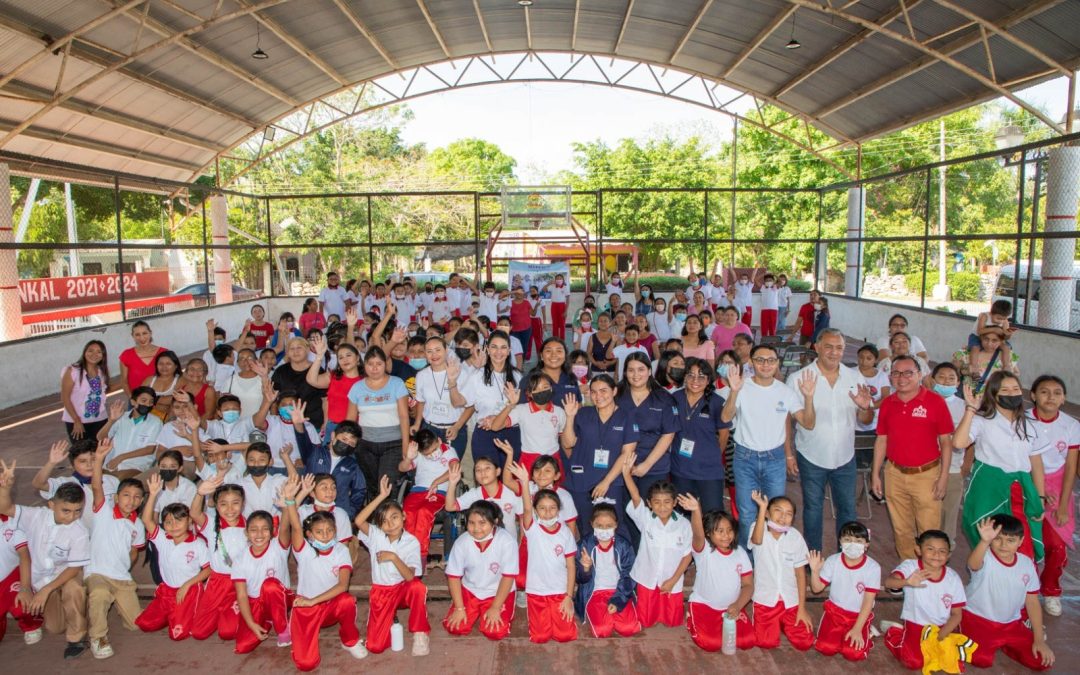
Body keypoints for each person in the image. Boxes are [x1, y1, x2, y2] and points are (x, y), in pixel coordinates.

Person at [722, 346, 816, 548]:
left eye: (771, 360)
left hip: (774, 459)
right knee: (746, 513)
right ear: (751, 362)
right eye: (760, 360)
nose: (766, 364)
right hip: (745, 458)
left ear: (777, 363)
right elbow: (725, 417)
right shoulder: (742, 387)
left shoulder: (786, 392)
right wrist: (734, 392)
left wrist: (809, 398)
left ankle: (771, 555)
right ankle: (748, 559)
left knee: (775, 512)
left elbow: (808, 423)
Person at [791, 329, 875, 552]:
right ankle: (813, 558)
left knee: (848, 510)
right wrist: (789, 455)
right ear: (817, 347)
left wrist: (864, 408)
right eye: (828, 346)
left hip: (845, 457)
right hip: (811, 455)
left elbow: (866, 419)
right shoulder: (799, 378)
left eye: (839, 348)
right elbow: (790, 421)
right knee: (813, 509)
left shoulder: (854, 378)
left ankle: (846, 558)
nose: (834, 352)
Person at [1, 457, 91, 658]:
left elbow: (73, 569)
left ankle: (76, 638)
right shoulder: (35, 516)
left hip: (66, 575)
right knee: (55, 627)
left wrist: (46, 590)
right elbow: (5, 508)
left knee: (74, 589)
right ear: (51, 505)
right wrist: (5, 488)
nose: (72, 517)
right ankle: (80, 609)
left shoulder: (79, 532)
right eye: (66, 511)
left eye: (78, 511)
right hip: (41, 578)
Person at [955, 372, 1048, 562]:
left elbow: (1036, 464)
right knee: (989, 542)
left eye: (1015, 389)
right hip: (989, 491)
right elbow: (958, 442)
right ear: (994, 394)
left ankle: (1023, 579)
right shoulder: (982, 421)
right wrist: (971, 409)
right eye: (1005, 390)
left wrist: (1040, 497)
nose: (1012, 393)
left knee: (1023, 544)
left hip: (1021, 491)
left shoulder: (1030, 424)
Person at [871, 355, 954, 560]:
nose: (901, 378)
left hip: (927, 475)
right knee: (901, 529)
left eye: (908, 373)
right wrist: (875, 475)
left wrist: (943, 477)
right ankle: (908, 569)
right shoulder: (888, 404)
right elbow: (881, 440)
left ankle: (931, 571)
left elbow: (946, 442)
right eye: (896, 373)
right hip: (894, 473)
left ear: (919, 374)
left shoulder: (935, 402)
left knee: (929, 530)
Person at [283, 480, 366, 669]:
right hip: (306, 607)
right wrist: (290, 500)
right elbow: (296, 526)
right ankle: (298, 628)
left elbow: (343, 586)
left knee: (347, 600)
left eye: (330, 530)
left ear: (336, 531)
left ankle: (350, 641)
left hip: (328, 605)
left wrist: (314, 601)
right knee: (306, 664)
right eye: (319, 532)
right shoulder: (304, 550)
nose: (326, 535)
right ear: (309, 535)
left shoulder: (341, 551)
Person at [960, 515, 1054, 670]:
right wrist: (984, 541)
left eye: (1011, 540)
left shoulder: (1026, 563)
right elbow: (973, 564)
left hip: (1011, 624)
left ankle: (1002, 642)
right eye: (997, 539)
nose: (1003, 545)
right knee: (981, 659)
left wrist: (1039, 640)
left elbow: (1032, 601)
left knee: (1041, 661)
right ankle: (957, 627)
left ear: (1021, 541)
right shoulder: (985, 556)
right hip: (976, 618)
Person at [354, 476, 431, 656]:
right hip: (381, 591)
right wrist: (381, 496)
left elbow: (410, 577)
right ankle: (388, 621)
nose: (390, 524)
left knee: (418, 587)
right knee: (375, 647)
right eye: (384, 521)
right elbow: (358, 521)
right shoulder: (376, 536)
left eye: (394, 517)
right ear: (379, 525)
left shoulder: (411, 542)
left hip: (402, 588)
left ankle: (420, 633)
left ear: (404, 516)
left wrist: (394, 557)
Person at [560, 375, 639, 539]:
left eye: (603, 391)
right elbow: (568, 443)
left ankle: (619, 555)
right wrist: (569, 417)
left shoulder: (627, 417)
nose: (598, 396)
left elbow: (627, 453)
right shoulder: (583, 413)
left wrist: (606, 482)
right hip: (581, 479)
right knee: (585, 527)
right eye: (594, 392)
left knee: (613, 526)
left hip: (611, 481)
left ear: (614, 391)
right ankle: (588, 555)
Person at [1026, 374, 1079, 617]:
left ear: (1064, 398)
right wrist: (1036, 490)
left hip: (1059, 489)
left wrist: (1063, 505)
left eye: (1057, 393)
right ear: (1033, 395)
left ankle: (1051, 591)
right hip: (1026, 483)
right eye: (1044, 392)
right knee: (1025, 543)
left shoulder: (1071, 426)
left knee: (1056, 546)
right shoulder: (1023, 420)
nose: (1051, 397)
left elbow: (1070, 467)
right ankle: (1025, 591)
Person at [135, 473, 210, 642]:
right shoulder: (163, 538)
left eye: (179, 521)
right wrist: (153, 495)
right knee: (144, 624)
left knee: (177, 634)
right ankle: (172, 612)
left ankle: (190, 611)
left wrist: (187, 585)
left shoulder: (197, 543)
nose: (174, 526)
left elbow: (208, 569)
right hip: (167, 591)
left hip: (188, 591)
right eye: (168, 522)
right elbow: (146, 520)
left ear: (189, 522)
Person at [509, 463, 578, 644]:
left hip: (560, 592)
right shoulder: (532, 529)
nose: (547, 513)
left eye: (552, 508)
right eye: (542, 508)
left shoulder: (565, 533)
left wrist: (568, 597)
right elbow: (526, 509)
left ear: (559, 510)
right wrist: (525, 482)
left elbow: (571, 566)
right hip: (536, 592)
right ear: (536, 511)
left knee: (565, 636)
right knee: (540, 637)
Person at [621, 457, 691, 629]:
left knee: (673, 622)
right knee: (646, 621)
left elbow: (687, 555)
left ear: (675, 503)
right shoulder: (645, 519)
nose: (662, 507)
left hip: (671, 581)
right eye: (657, 503)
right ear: (649, 504)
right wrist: (626, 474)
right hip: (647, 579)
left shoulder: (684, 524)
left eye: (667, 502)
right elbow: (635, 496)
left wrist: (673, 580)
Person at [880, 530, 965, 670]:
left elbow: (957, 614)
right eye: (930, 549)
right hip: (916, 624)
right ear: (918, 550)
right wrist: (906, 582)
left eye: (942, 551)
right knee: (913, 662)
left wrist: (941, 636)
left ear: (949, 555)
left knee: (952, 662)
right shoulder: (910, 567)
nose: (936, 554)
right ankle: (893, 633)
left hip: (941, 627)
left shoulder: (953, 578)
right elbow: (889, 583)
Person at [680, 496, 755, 652]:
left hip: (731, 608)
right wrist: (696, 510)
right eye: (720, 531)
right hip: (704, 606)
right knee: (711, 643)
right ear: (708, 533)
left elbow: (748, 585)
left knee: (748, 641)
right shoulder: (704, 550)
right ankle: (691, 618)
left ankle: (724, 624)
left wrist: (738, 605)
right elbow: (698, 534)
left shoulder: (740, 553)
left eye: (729, 530)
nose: (726, 535)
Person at [442, 501, 519, 640]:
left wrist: (495, 607)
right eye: (471, 523)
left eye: (482, 523)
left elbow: (508, 577)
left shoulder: (507, 541)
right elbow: (453, 576)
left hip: (498, 591)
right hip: (470, 590)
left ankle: (496, 609)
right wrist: (459, 608)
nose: (476, 528)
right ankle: (468, 609)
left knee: (495, 632)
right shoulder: (461, 542)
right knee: (455, 627)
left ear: (495, 521)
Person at [747, 491, 813, 650]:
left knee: (805, 642)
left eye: (789, 514)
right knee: (765, 642)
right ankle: (777, 624)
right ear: (767, 513)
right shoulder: (758, 528)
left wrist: (802, 609)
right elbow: (756, 540)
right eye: (778, 511)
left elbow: (800, 574)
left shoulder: (795, 537)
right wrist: (762, 507)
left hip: (791, 601)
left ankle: (782, 623)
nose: (783, 517)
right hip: (765, 600)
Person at [807, 521, 880, 661]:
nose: (852, 544)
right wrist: (815, 571)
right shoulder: (833, 561)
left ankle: (867, 633)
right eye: (847, 539)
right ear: (840, 542)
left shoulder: (873, 568)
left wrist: (857, 629)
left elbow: (867, 602)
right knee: (825, 648)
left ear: (866, 544)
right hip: (834, 613)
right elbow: (816, 589)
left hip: (858, 616)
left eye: (858, 541)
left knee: (853, 654)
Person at [617, 354, 679, 508]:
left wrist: (646, 465)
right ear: (625, 372)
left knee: (652, 511)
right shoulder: (616, 396)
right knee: (625, 510)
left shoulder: (663, 398)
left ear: (650, 371)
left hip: (654, 466)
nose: (636, 375)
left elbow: (668, 435)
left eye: (641, 369)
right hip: (620, 464)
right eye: (631, 370)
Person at [231, 501, 295, 654]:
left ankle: (282, 628)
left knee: (270, 586)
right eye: (254, 530)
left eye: (265, 529)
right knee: (242, 646)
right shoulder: (240, 559)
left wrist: (286, 505)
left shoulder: (278, 547)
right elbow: (242, 595)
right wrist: (251, 623)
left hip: (281, 597)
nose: (259, 534)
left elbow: (285, 527)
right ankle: (268, 620)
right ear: (246, 533)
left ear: (272, 532)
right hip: (256, 602)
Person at [188, 478, 246, 642]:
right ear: (216, 505)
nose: (230, 509)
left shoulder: (249, 525)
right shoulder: (211, 525)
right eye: (223, 504)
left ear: (243, 504)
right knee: (199, 632)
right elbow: (194, 514)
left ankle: (232, 612)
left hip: (240, 583)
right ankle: (222, 611)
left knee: (227, 633)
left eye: (235, 503)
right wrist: (200, 493)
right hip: (217, 582)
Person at [670, 359, 730, 512]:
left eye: (701, 376)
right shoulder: (675, 398)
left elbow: (724, 435)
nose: (695, 381)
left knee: (713, 513)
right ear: (685, 377)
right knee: (682, 515)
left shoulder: (716, 402)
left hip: (708, 470)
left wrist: (712, 456)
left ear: (709, 380)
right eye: (691, 375)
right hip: (680, 468)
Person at [347, 347, 411, 491]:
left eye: (379, 364)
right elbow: (350, 420)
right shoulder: (357, 387)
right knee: (371, 487)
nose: (374, 368)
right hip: (365, 445)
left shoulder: (397, 383)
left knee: (387, 487)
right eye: (370, 364)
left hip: (393, 444)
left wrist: (405, 445)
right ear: (364, 365)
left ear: (385, 364)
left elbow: (404, 417)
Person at [454, 332, 521, 466]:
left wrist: (497, 418)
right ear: (487, 349)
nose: (498, 352)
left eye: (503, 347)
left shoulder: (517, 376)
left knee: (510, 475)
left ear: (509, 351)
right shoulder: (477, 375)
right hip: (485, 434)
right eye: (494, 347)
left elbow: (521, 408)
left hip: (511, 432)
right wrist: (452, 382)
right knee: (485, 475)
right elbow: (459, 402)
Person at [573, 503, 640, 638]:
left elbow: (629, 575)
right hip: (594, 593)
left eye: (609, 526)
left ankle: (617, 610)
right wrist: (585, 568)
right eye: (599, 526)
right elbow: (580, 579)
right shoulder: (584, 545)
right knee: (602, 631)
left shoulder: (624, 545)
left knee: (629, 629)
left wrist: (618, 600)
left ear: (616, 525)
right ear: (592, 524)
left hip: (619, 591)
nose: (604, 530)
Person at [32, 440, 116, 529]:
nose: (89, 464)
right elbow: (38, 484)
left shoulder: (112, 480)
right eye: (82, 461)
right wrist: (51, 463)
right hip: (78, 535)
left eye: (94, 459)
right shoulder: (65, 483)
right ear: (73, 465)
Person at [400, 430, 456, 563]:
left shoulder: (448, 451)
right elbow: (402, 468)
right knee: (408, 513)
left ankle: (420, 556)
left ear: (439, 441)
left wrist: (436, 481)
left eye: (434, 450)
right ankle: (406, 553)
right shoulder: (418, 454)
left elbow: (455, 468)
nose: (432, 455)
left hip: (439, 492)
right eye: (427, 454)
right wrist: (408, 458)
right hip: (417, 491)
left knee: (423, 512)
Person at [412, 337, 471, 458]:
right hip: (429, 429)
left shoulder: (461, 372)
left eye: (438, 350)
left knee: (451, 466)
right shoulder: (421, 375)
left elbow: (471, 406)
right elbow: (421, 402)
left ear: (446, 351)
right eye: (429, 351)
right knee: (429, 465)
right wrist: (417, 424)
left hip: (454, 429)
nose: (434, 355)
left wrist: (457, 427)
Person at [930, 363, 966, 542]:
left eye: (951, 378)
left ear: (958, 383)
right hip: (926, 469)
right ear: (933, 380)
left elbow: (970, 442)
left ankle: (946, 550)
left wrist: (964, 468)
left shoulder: (965, 407)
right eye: (942, 377)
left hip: (953, 469)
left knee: (948, 517)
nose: (946, 382)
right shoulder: (923, 402)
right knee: (926, 515)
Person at [100, 391, 164, 478]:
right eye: (144, 401)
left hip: (136, 465)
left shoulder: (156, 422)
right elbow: (100, 438)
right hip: (111, 463)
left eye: (151, 402)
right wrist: (111, 421)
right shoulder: (121, 416)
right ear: (133, 402)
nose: (147, 404)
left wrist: (121, 457)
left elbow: (149, 449)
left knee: (121, 480)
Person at [272, 337, 326, 433]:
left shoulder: (317, 369)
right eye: (292, 348)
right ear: (287, 353)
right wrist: (274, 422)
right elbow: (274, 400)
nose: (295, 351)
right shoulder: (280, 371)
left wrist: (326, 422)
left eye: (299, 347)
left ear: (308, 350)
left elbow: (325, 399)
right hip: (286, 424)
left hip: (314, 423)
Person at [61, 340, 109, 442]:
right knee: (81, 450)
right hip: (78, 421)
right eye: (90, 351)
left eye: (99, 352)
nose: (94, 354)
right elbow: (65, 397)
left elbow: (102, 391)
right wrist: (76, 420)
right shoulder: (72, 371)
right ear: (84, 352)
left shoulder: (101, 372)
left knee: (101, 449)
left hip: (100, 419)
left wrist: (125, 382)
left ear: (103, 355)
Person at [952, 325, 1020, 393]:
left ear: (1001, 341)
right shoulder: (965, 354)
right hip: (966, 396)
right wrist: (963, 372)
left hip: (992, 397)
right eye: (986, 339)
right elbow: (951, 372)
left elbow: (1016, 373)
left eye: (994, 341)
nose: (989, 344)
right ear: (981, 338)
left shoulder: (1007, 356)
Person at [119, 320, 166, 399]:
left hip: (161, 400)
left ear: (150, 333)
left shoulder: (164, 353)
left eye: (144, 333)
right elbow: (124, 381)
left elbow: (171, 378)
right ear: (132, 336)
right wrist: (132, 399)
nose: (142, 338)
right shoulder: (126, 355)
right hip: (136, 400)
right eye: (137, 334)